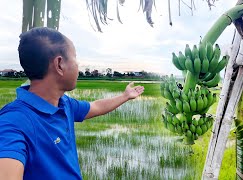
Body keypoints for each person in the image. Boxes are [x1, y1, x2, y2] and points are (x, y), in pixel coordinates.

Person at [0, 27, 144, 179]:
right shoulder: (13, 122)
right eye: (75, 58)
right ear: (60, 64)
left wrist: (125, 96)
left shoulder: (64, 103)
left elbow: (95, 107)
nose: (78, 65)